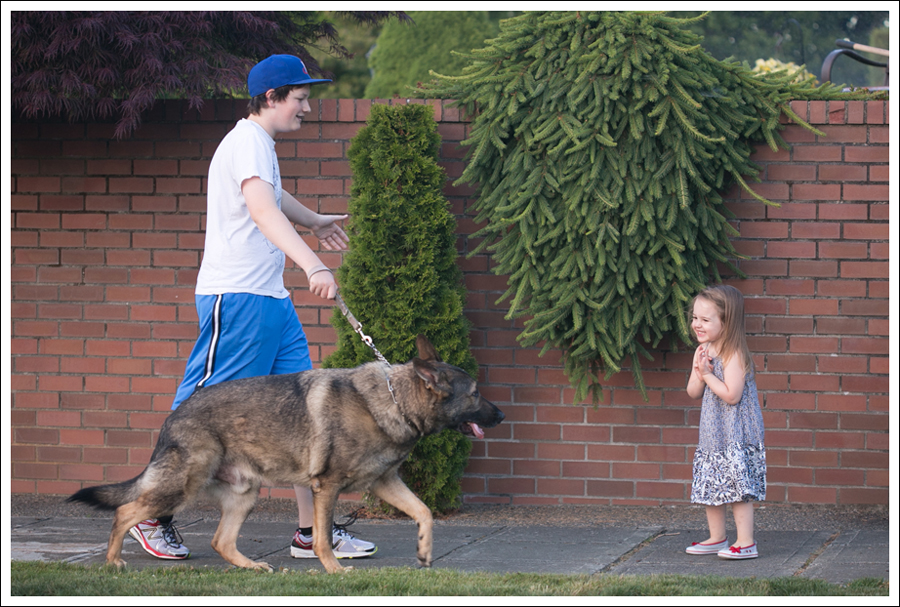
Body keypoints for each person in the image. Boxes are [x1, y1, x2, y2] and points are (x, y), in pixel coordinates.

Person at [128, 54, 376, 562]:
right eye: (300, 98)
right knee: (199, 409)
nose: (307, 108)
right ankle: (150, 513)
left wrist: (313, 220)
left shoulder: (260, 145)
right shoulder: (247, 141)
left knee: (305, 417)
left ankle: (312, 534)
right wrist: (314, 266)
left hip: (271, 301)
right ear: (271, 97)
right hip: (238, 298)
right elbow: (261, 210)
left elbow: (272, 197)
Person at [684, 284, 766, 560]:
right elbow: (693, 392)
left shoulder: (733, 354)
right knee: (712, 483)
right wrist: (700, 372)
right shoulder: (703, 350)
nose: (697, 324)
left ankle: (746, 542)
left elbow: (732, 396)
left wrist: (708, 375)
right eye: (695, 317)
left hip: (736, 431)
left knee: (737, 486)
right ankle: (717, 537)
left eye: (705, 320)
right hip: (714, 431)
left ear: (727, 322)